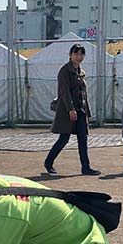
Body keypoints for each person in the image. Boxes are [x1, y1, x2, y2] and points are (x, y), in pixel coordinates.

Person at [44, 44, 101, 176]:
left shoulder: (81, 72)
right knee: (64, 138)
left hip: (81, 110)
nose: (79, 57)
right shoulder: (64, 71)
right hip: (67, 111)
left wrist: (86, 111)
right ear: (70, 55)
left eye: (81, 54)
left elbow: (83, 94)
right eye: (76, 54)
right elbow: (64, 92)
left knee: (83, 139)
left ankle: (86, 167)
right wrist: (71, 109)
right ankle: (49, 162)